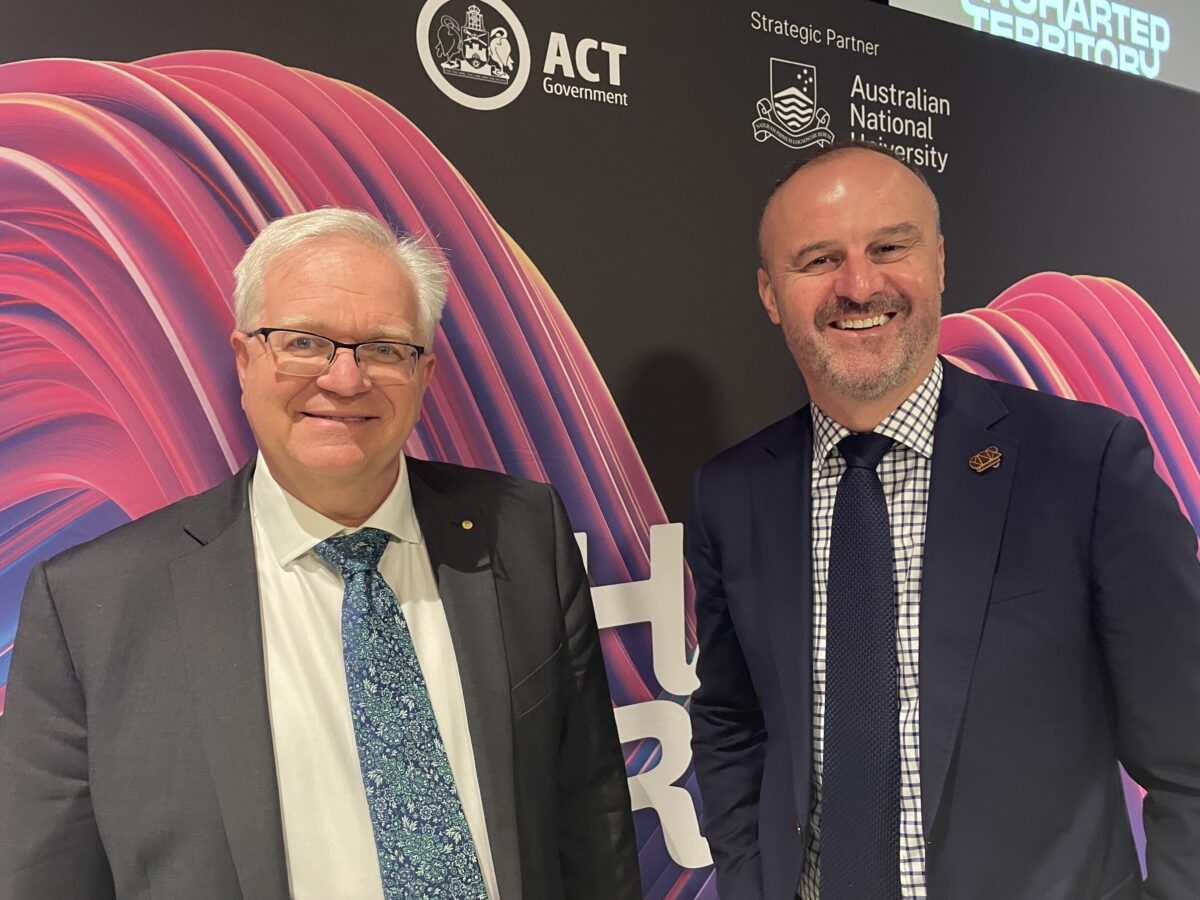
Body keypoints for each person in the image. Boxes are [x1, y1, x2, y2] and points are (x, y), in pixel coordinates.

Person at [0, 207, 639, 899]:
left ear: (424, 375)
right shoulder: (95, 604)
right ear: (245, 360)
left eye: (385, 349)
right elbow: (46, 876)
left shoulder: (522, 531)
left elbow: (589, 810)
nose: (344, 379)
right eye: (304, 342)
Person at [687, 143, 1200, 899]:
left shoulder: (1086, 464)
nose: (859, 286)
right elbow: (732, 718)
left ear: (940, 263)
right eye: (819, 259)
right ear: (770, 293)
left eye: (889, 247)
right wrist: (748, 878)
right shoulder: (732, 493)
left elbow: (1189, 757)